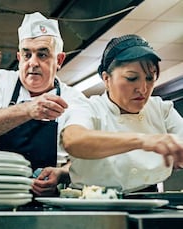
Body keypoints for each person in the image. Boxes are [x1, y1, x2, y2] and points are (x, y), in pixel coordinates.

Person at [0, 12, 87, 196]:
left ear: (59, 60)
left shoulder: (75, 100)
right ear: (19, 57)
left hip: (46, 201)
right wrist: (28, 110)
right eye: (27, 54)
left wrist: (61, 173)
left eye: (42, 54)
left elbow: (84, 158)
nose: (33, 63)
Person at [61, 34, 183, 193]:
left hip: (150, 200)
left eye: (149, 78)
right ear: (106, 79)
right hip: (92, 202)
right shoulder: (89, 107)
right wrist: (142, 140)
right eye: (132, 78)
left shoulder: (161, 109)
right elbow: (73, 140)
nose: (143, 89)